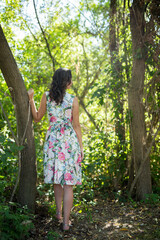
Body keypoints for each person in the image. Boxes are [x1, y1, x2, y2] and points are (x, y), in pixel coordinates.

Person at [28, 68, 83, 231]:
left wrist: (31, 99)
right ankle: (65, 222)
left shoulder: (47, 96)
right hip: (69, 143)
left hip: (53, 142)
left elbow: (37, 118)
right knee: (68, 184)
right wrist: (81, 147)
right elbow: (76, 125)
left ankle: (59, 213)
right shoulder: (73, 100)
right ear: (67, 82)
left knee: (56, 179)